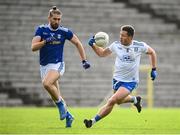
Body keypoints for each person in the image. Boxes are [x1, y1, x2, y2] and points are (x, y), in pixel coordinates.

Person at [84, 25, 157, 128]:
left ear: (130, 37)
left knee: (112, 101)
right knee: (118, 101)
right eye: (120, 34)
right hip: (117, 79)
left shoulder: (139, 46)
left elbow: (152, 52)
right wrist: (93, 45)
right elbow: (102, 54)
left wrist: (154, 69)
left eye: (123, 35)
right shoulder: (116, 45)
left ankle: (92, 121)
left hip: (130, 81)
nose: (120, 37)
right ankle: (134, 100)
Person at [31, 6, 90, 128]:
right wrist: (44, 42)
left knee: (47, 84)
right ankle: (69, 116)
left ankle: (61, 106)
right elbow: (33, 47)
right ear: (49, 18)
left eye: (59, 19)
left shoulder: (64, 31)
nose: (57, 21)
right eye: (54, 19)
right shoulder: (41, 30)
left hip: (58, 64)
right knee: (55, 95)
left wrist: (84, 60)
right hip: (44, 66)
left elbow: (77, 43)